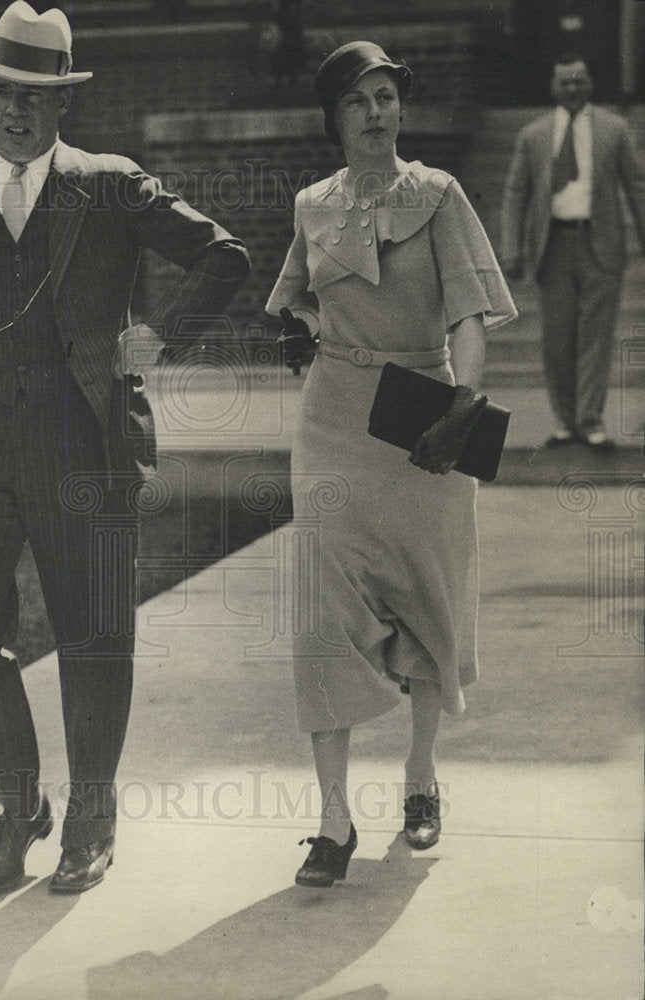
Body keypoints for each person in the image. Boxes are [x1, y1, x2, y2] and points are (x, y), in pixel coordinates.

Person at [0, 1, 249, 896]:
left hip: (81, 444)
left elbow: (224, 256)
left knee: (94, 636)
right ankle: (19, 808)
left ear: (62, 107)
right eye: (3, 91)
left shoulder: (111, 184)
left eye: (36, 96)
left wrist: (161, 335)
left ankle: (90, 816)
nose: (17, 110)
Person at [267, 41, 516, 888]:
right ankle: (332, 821)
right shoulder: (311, 206)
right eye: (357, 101)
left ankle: (418, 777)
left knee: (427, 601)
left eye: (385, 97)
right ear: (334, 120)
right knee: (318, 612)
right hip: (335, 417)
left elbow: (471, 311)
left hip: (424, 419)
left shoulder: (439, 196)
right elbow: (294, 296)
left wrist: (463, 404)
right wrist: (295, 330)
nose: (375, 112)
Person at [501, 52, 645, 451]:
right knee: (558, 338)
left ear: (590, 83)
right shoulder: (533, 135)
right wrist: (511, 248)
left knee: (596, 338)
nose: (572, 88)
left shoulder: (615, 130)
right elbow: (516, 194)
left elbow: (637, 188)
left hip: (600, 244)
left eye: (578, 81)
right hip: (553, 246)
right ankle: (565, 422)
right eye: (564, 82)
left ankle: (590, 420)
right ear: (553, 87)